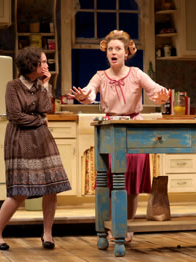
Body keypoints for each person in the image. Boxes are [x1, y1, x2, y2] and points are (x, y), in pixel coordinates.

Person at [69, 30, 169, 242]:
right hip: (111, 130)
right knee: (111, 181)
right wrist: (84, 97)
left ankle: (127, 225)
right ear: (107, 53)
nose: (114, 52)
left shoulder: (136, 73)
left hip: (134, 130)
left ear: (126, 53)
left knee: (131, 184)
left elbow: (155, 90)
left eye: (118, 49)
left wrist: (162, 95)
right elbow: (90, 93)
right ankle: (112, 225)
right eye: (110, 49)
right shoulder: (100, 76)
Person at [0, 47, 71, 250]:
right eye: (42, 62)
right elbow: (15, 116)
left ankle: (47, 234)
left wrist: (46, 86)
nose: (46, 65)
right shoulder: (13, 86)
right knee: (19, 190)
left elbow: (46, 109)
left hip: (42, 140)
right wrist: (40, 120)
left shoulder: (40, 85)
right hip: (20, 140)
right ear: (31, 64)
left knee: (52, 187)